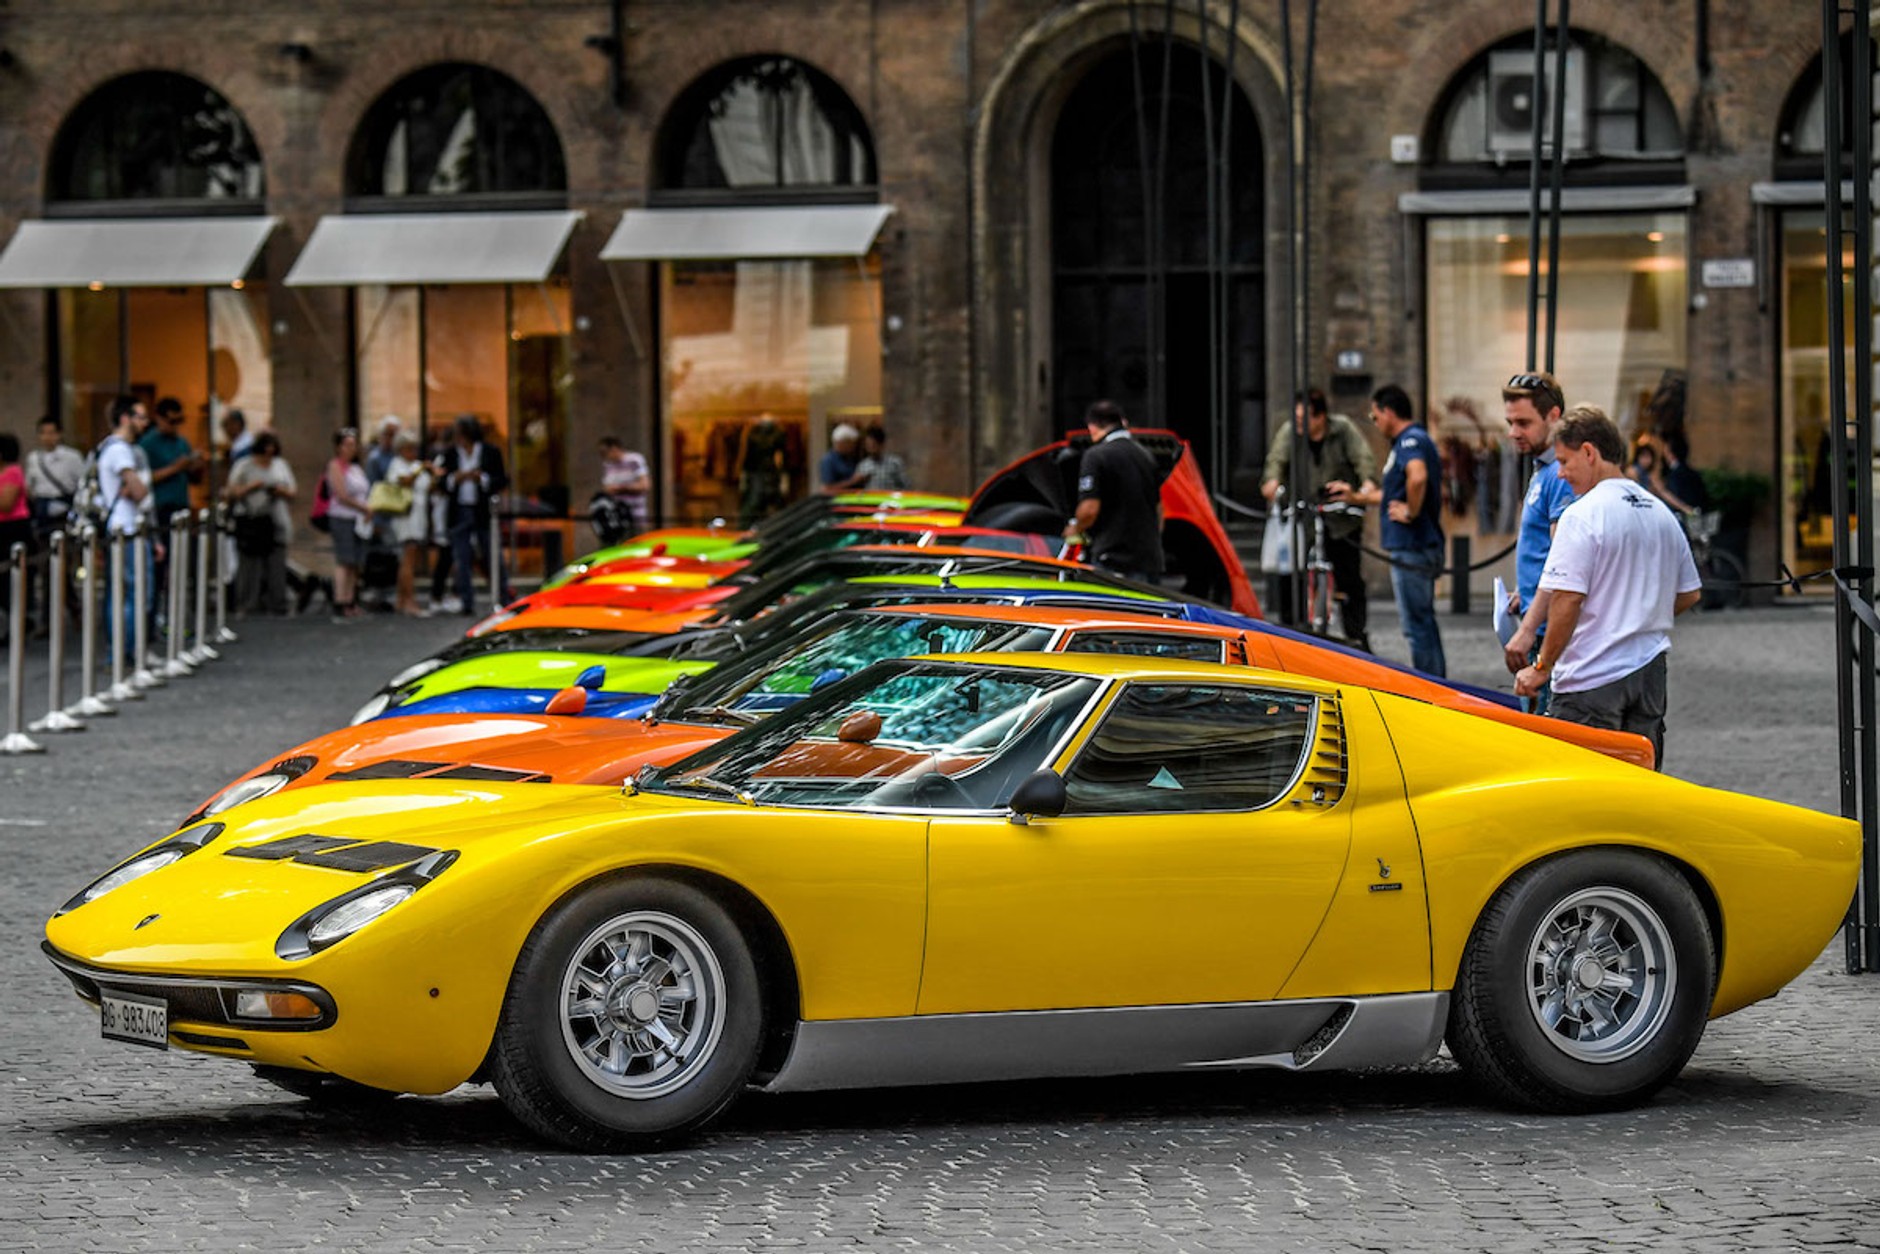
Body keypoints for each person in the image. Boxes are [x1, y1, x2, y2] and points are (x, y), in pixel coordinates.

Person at [1515, 407, 1702, 768]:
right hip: (1649, 672)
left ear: (1590, 452)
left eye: (1565, 462)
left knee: (1584, 795)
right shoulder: (1661, 512)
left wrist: (1541, 667)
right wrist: (1640, 615)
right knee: (1641, 789)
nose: (1563, 474)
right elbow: (1689, 593)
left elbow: (1567, 600)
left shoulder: (1582, 514)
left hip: (1590, 678)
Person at [1260, 388, 1377, 647]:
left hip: (1340, 515)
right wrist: (1272, 483)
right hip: (1303, 514)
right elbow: (1276, 461)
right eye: (1297, 419)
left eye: (1305, 419)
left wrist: (1366, 485)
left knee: (1350, 577)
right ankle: (1290, 633)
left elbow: (1363, 459)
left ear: (1321, 416)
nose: (1299, 425)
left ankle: (1356, 636)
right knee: (1290, 573)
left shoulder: (1343, 430)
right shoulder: (1290, 433)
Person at [1499, 370, 1577, 713]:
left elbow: (1562, 559)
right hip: (1538, 622)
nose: (1514, 432)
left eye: (1524, 423)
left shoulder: (1560, 476)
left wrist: (1529, 629)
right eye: (1511, 422)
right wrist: (1523, 591)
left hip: (1547, 633)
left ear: (1553, 416)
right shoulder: (1542, 469)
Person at [1359, 384, 1446, 675]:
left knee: (1417, 626)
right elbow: (1394, 491)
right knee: (1422, 623)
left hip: (1413, 547)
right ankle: (1436, 684)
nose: (1376, 423)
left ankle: (1432, 689)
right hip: (1414, 547)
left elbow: (1417, 477)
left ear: (1388, 411)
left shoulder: (1411, 441)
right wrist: (1355, 496)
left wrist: (1411, 510)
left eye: (1375, 416)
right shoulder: (1410, 441)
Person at [1063, 399, 1164, 583]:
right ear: (1121, 422)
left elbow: (1089, 509)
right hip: (1150, 562)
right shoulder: (1146, 455)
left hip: (1113, 561)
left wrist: (1075, 528)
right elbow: (1159, 512)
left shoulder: (1096, 456)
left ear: (1092, 426)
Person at [97, 395, 152, 662]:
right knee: (132, 592)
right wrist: (135, 486)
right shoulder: (120, 450)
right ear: (125, 418)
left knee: (119, 592)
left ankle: (120, 652)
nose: (144, 423)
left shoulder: (106, 446)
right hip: (124, 528)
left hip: (119, 526)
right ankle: (123, 652)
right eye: (140, 417)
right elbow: (139, 491)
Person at [437, 413, 510, 616]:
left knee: (491, 554)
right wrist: (455, 479)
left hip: (482, 511)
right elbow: (441, 482)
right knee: (461, 557)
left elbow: (501, 479)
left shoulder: (490, 452)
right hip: (459, 511)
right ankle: (466, 601)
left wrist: (482, 479)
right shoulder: (451, 454)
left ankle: (504, 597)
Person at [138, 396, 202, 621]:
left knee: (182, 565)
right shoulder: (147, 444)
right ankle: (152, 615)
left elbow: (193, 478)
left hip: (180, 507)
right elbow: (144, 479)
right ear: (159, 418)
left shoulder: (182, 442)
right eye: (171, 421)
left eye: (179, 421)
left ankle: (178, 617)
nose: (175, 426)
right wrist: (176, 467)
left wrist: (195, 467)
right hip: (160, 509)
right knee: (158, 567)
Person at [222, 431, 296, 617]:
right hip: (251, 519)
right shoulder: (244, 466)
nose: (268, 456)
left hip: (274, 518)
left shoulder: (281, 465)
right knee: (249, 564)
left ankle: (277, 603)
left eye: (272, 452)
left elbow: (292, 491)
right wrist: (251, 487)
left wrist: (279, 491)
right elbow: (230, 492)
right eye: (265, 452)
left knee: (276, 563)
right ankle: (247, 602)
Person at [324, 428, 372, 619]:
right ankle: (340, 600)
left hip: (357, 519)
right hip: (342, 516)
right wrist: (363, 508)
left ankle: (351, 600)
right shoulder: (335, 466)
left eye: (354, 445)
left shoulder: (355, 468)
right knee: (344, 559)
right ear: (338, 447)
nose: (352, 449)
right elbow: (342, 495)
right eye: (348, 445)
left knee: (354, 562)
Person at [385, 431, 430, 616]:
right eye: (409, 448)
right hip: (406, 517)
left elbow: (429, 485)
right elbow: (405, 481)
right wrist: (421, 469)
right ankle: (409, 601)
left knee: (409, 559)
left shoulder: (415, 465)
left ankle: (401, 600)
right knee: (408, 560)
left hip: (418, 516)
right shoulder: (397, 465)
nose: (413, 452)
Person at [25, 416, 84, 535]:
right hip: (42, 510)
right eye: (43, 433)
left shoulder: (72, 457)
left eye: (51, 433)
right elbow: (29, 486)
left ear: (59, 434)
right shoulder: (33, 458)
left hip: (65, 508)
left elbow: (82, 482)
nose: (47, 437)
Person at [596, 436, 652, 543]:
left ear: (614, 449)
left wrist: (622, 488)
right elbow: (607, 488)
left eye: (605, 452)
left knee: (637, 544)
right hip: (616, 517)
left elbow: (645, 485)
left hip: (636, 515)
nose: (604, 457)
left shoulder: (634, 460)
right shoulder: (608, 465)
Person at [0, 434, 30, 634]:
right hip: (5, 528)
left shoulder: (13, 472)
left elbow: (7, 504)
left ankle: (16, 627)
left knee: (10, 582)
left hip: (12, 529)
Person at [737, 412, 789, 525]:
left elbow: (783, 454)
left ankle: (777, 527)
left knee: (771, 502)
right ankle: (747, 527)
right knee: (755, 502)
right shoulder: (753, 433)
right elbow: (748, 455)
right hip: (757, 472)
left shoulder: (777, 434)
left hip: (768, 472)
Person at [854, 424, 909, 490]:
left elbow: (905, 485)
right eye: (867, 445)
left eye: (873, 445)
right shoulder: (863, 465)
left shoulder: (894, 462)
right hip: (870, 499)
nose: (870, 449)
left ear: (881, 445)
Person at [819, 423, 864, 493]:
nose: (853, 447)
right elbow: (827, 488)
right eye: (851, 444)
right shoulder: (828, 460)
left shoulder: (849, 458)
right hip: (837, 501)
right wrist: (853, 481)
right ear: (842, 443)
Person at [365, 414, 400, 485]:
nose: (393, 439)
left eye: (396, 435)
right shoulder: (375, 458)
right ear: (382, 434)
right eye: (390, 434)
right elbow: (372, 485)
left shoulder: (399, 454)